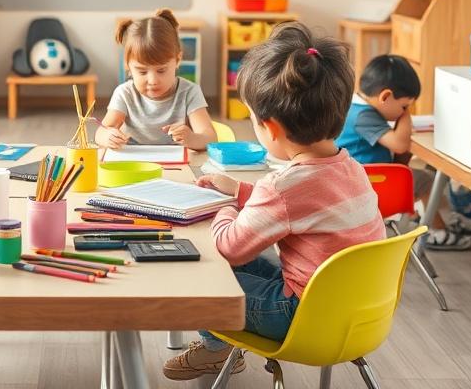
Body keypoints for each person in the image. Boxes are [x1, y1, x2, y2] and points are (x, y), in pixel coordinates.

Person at [164, 23, 385, 381]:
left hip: (300, 316)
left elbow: (230, 247)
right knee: (249, 264)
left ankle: (216, 352)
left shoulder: (283, 186)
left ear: (271, 128)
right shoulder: (352, 169)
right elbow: (303, 208)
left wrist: (221, 207)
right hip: (359, 311)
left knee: (201, 273)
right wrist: (239, 191)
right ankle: (217, 350)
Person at [337, 54, 471, 250]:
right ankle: (437, 232)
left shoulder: (356, 108)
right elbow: (400, 145)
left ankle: (444, 221)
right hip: (368, 190)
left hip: (364, 184)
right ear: (385, 97)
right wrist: (405, 115)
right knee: (427, 180)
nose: (405, 110)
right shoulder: (363, 115)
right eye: (404, 105)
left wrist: (400, 111)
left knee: (418, 175)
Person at [97, 9, 216, 151]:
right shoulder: (125, 93)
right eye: (142, 71)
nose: (152, 80)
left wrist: (192, 138)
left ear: (177, 60)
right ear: (128, 66)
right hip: (133, 165)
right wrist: (107, 136)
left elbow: (210, 138)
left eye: (161, 70)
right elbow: (101, 133)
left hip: (176, 167)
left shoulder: (189, 92)